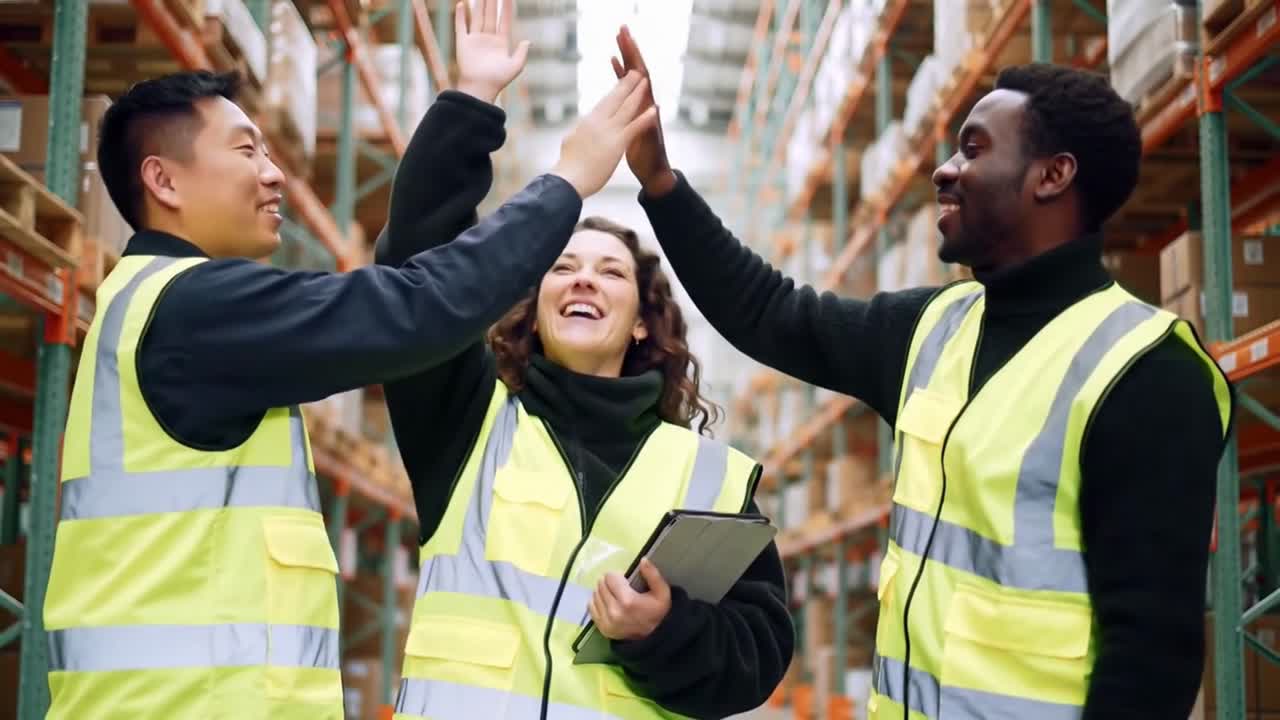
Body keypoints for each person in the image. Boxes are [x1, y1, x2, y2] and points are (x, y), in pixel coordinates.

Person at [616, 29, 1233, 720]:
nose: (943, 170)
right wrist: (662, 184)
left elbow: (1151, 658)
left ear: (1052, 176)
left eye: (974, 149)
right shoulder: (931, 330)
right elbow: (769, 312)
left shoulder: (1147, 371)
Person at [41, 35, 656, 719]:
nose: (273, 174)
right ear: (164, 181)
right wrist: (567, 179)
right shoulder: (194, 311)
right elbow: (416, 306)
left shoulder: (161, 306)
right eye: (247, 151)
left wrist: (472, 100)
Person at [373, 6, 793, 719]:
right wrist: (471, 100)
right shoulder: (466, 426)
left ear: (639, 325)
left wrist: (665, 634)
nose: (584, 280)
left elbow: (758, 653)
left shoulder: (707, 480)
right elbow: (417, 267)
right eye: (561, 267)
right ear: (532, 311)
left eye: (611, 273)